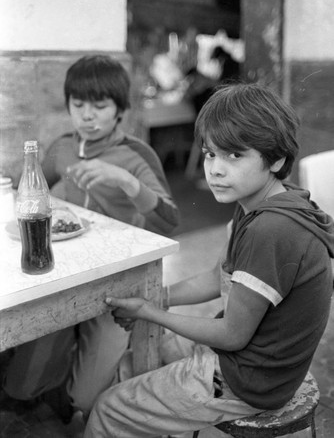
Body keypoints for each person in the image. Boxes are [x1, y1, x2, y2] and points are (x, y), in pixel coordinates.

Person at [84, 83, 334, 438]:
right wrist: (159, 298)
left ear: (277, 158)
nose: (215, 169)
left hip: (249, 381)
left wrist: (147, 311)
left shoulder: (273, 231)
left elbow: (232, 335)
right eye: (209, 153)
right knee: (132, 363)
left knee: (109, 407)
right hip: (255, 364)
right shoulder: (266, 201)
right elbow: (216, 277)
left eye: (234, 156)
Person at [3, 54, 180, 418]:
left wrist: (127, 182)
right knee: (22, 384)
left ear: (119, 111)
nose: (87, 115)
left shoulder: (135, 154)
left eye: (99, 106)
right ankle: (46, 386)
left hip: (116, 284)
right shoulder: (62, 147)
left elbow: (169, 220)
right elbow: (31, 187)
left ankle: (85, 391)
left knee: (84, 399)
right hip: (64, 275)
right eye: (78, 104)